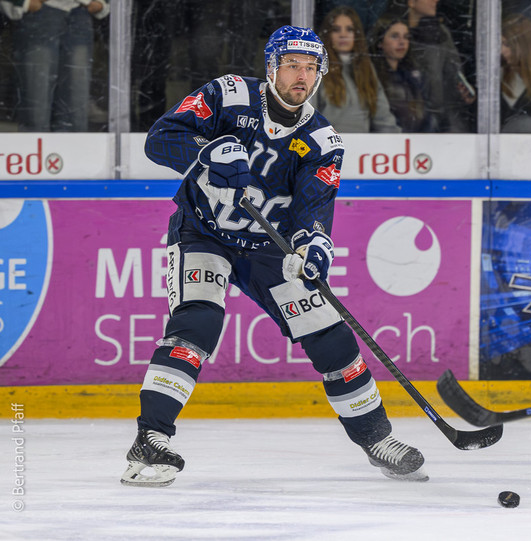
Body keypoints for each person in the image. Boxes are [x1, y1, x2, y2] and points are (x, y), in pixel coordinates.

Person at [120, 25, 427, 487]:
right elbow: (160, 139)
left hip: (269, 248)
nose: (301, 75)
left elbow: (313, 211)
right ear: (271, 67)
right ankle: (151, 438)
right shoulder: (229, 96)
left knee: (333, 340)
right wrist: (205, 153)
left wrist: (313, 245)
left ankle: (377, 440)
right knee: (197, 323)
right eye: (292, 65)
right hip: (204, 232)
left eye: (311, 67)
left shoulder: (322, 141)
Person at [9, 0, 109, 132]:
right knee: (36, 103)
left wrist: (102, 4)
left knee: (76, 105)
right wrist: (23, 3)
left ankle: (71, 146)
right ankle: (35, 144)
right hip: (42, 12)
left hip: (80, 13)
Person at [315, 6, 400, 133]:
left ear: (357, 34)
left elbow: (383, 119)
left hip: (363, 144)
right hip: (325, 143)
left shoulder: (366, 68)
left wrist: (396, 141)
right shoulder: (317, 69)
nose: (343, 35)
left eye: (349, 29)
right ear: (328, 34)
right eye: (336, 30)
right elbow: (308, 118)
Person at [397, 0, 475, 133]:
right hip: (410, 119)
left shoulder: (441, 33)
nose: (435, 1)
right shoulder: (397, 33)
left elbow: (454, 73)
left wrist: (464, 92)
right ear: (411, 2)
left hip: (443, 119)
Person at [369, 14, 435, 132]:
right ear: (380, 42)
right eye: (395, 36)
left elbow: (426, 116)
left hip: (417, 140)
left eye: (406, 37)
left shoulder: (415, 76)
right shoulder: (371, 76)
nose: (402, 42)